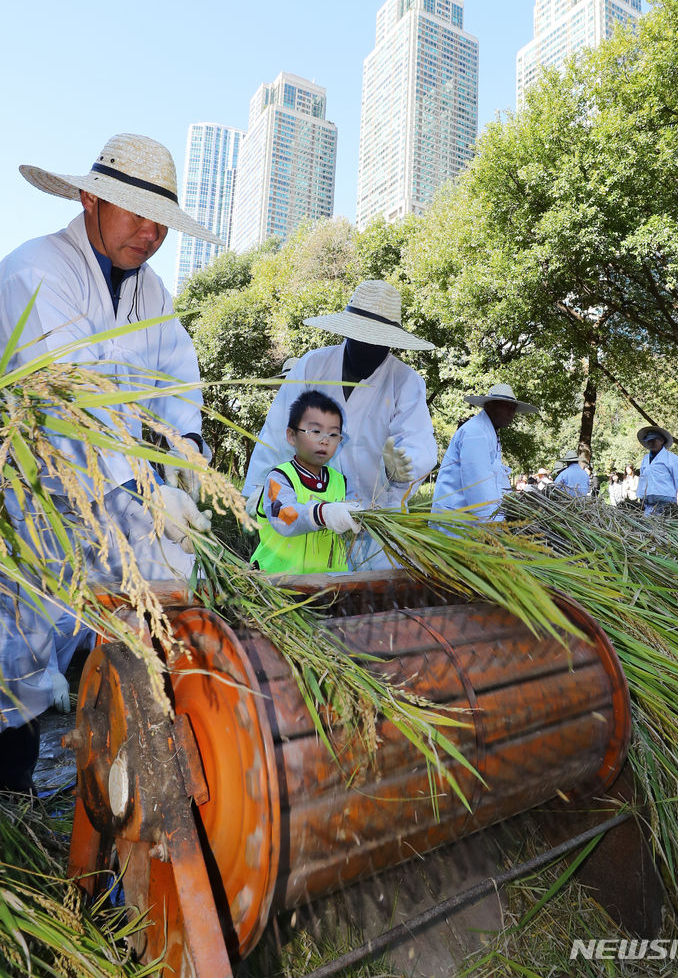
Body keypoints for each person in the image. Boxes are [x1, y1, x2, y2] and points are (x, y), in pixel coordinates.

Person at [0, 133, 216, 790]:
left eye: (162, 222)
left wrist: (189, 458)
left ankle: (119, 787)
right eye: (134, 212)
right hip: (26, 503)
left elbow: (178, 381)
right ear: (90, 198)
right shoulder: (37, 273)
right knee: (11, 665)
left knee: (102, 642)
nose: (150, 233)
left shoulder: (151, 294)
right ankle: (11, 811)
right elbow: (74, 408)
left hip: (102, 510)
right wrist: (146, 495)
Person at [242, 280, 437, 570]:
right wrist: (261, 488)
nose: (367, 344)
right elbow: (278, 434)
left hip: (376, 528)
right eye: (361, 335)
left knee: (369, 607)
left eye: (377, 338)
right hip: (309, 519)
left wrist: (402, 466)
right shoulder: (313, 366)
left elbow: (417, 443)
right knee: (311, 598)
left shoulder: (405, 382)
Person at [252, 391, 361, 573]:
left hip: (328, 589)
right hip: (279, 587)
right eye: (315, 431)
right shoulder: (277, 479)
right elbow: (283, 517)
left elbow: (353, 523)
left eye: (333, 435)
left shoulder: (340, 481)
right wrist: (322, 514)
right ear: (292, 436)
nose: (325, 441)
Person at [432, 383, 539, 522]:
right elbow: (478, 486)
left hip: (468, 521)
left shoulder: (489, 432)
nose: (511, 413)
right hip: (457, 522)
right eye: (506, 406)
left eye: (514, 408)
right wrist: (496, 525)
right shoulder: (476, 433)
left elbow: (495, 480)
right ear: (490, 406)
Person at [636, 426, 678, 512]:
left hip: (666, 501)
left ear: (662, 441)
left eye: (654, 440)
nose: (652, 443)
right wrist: (639, 496)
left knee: (664, 524)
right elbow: (642, 479)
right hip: (648, 502)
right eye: (649, 441)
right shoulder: (645, 459)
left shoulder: (671, 458)